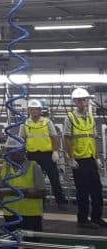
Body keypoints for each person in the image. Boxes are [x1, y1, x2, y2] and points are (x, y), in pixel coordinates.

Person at [63, 87, 105, 229]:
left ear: (87, 101)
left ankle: (97, 217)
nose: (82, 102)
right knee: (83, 191)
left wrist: (97, 156)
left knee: (97, 190)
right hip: (79, 161)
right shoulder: (70, 117)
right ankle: (82, 220)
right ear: (75, 102)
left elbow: (93, 138)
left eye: (84, 99)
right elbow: (67, 138)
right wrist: (71, 158)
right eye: (79, 100)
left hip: (91, 158)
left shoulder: (91, 117)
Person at [22, 98, 67, 209]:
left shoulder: (47, 122)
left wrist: (55, 151)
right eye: (32, 109)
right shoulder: (25, 123)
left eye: (36, 109)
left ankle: (61, 202)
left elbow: (54, 137)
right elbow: (22, 139)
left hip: (47, 154)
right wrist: (23, 153)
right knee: (33, 180)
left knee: (54, 178)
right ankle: (38, 201)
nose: (34, 111)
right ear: (29, 110)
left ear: (40, 110)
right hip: (31, 155)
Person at [0, 137, 45, 239]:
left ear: (23, 151)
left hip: (31, 215)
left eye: (14, 150)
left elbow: (41, 192)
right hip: (10, 214)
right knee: (11, 244)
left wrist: (10, 191)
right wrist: (26, 191)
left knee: (31, 244)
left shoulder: (33, 166)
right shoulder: (4, 167)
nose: (11, 153)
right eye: (9, 150)